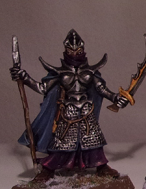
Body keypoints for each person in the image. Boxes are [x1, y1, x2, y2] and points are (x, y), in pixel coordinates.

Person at [10, 29, 129, 181]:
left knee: (93, 140)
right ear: (66, 51)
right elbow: (43, 88)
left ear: (82, 50)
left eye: (78, 51)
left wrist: (116, 98)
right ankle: (48, 168)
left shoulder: (90, 72)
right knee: (62, 142)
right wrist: (25, 77)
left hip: (86, 109)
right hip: (68, 110)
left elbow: (102, 89)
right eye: (71, 51)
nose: (74, 54)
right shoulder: (60, 72)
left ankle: (101, 166)